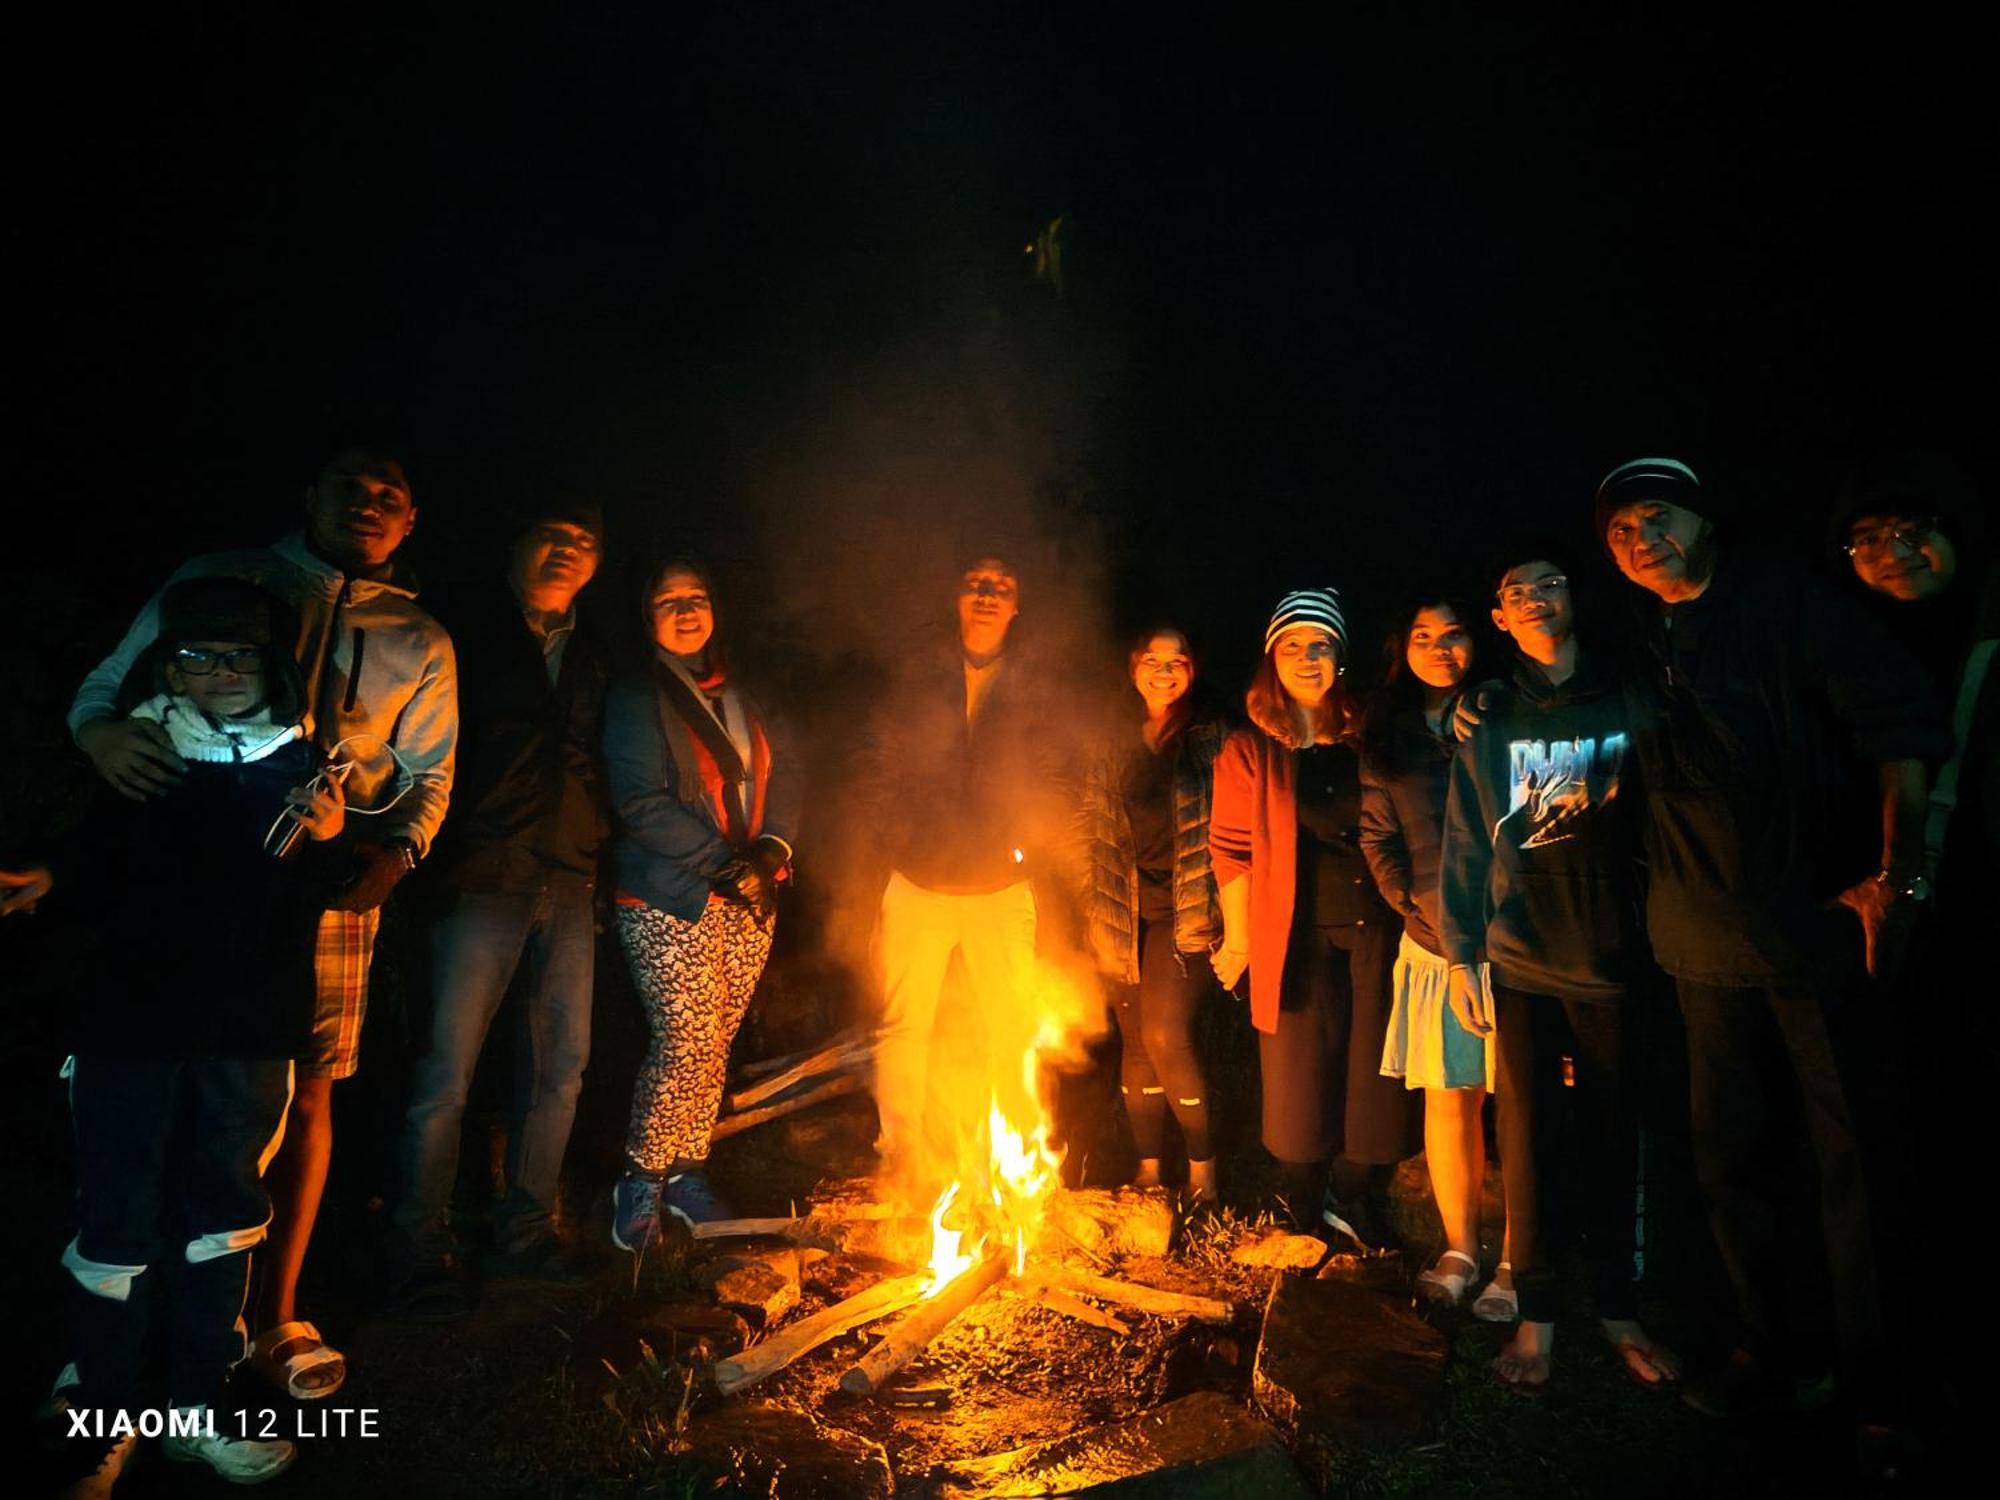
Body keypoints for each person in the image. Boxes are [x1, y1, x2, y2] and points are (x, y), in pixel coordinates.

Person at [67, 444, 457, 1401]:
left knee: (303, 1091)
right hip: (188, 866)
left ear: (410, 522)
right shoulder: (216, 579)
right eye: (351, 486)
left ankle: (266, 1318)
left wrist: (398, 855)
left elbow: (429, 771)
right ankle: (125, 1334)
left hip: (328, 871)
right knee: (167, 1098)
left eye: (391, 497)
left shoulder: (420, 634)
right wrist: (100, 735)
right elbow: (103, 688)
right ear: (309, 494)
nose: (370, 505)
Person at [1593, 455, 1948, 1427]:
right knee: (1730, 1161)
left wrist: (1897, 872)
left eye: (1655, 516)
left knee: (1854, 1170)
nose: (1638, 540)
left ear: (1703, 521)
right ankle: (1776, 1349)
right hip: (1697, 945)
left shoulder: (1789, 605)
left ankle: (1882, 1388)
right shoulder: (1633, 636)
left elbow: (1896, 731)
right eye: (1619, 531)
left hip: (1812, 932)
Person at [52, 579, 346, 1492]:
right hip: (128, 1031)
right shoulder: (131, 755)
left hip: (250, 1038)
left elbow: (294, 910)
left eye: (239, 655)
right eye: (195, 654)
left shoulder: (305, 774)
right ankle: (102, 1407)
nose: (217, 671)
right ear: (162, 663)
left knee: (225, 1221)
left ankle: (194, 1402)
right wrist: (44, 878)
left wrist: (330, 838)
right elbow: (88, 877)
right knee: (115, 1222)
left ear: (275, 669)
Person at [1438, 543, 1679, 1394]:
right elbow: (1466, 838)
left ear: (1575, 599)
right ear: (1498, 618)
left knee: (1617, 1138)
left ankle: (1617, 1304)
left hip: (1616, 957)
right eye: (1515, 591)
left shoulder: (1629, 694)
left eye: (1551, 584)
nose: (1535, 598)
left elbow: (1666, 817)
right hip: (1522, 962)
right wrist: (1463, 952)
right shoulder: (1490, 711)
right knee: (1530, 1141)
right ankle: (1538, 1315)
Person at [388, 500, 610, 1313]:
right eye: (553, 534)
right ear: (518, 542)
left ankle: (524, 1234)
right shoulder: (460, 626)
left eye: (584, 544)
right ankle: (416, 1252)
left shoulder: (592, 650)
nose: (568, 551)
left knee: (561, 1068)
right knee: (446, 1075)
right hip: (480, 874)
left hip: (569, 876)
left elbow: (591, 760)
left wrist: (593, 852)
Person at [1209, 588, 1416, 1246]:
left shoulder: (1369, 733)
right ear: (1273, 658)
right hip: (1292, 932)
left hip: (1376, 924)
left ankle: (1354, 1196)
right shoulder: (1251, 747)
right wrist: (1237, 939)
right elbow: (1231, 848)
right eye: (1293, 645)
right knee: (1301, 1068)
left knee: (1374, 1068)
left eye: (1321, 644)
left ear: (1340, 658)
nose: (1308, 656)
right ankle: (1303, 1197)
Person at [603, 558, 798, 1245]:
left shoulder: (743, 694)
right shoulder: (636, 695)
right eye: (669, 601)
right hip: (669, 894)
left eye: (698, 597)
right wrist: (725, 863)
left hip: (749, 899)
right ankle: (639, 1183)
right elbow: (638, 800)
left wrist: (772, 849)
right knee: (684, 1041)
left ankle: (687, 1174)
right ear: (647, 615)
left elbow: (788, 775)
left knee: (714, 1044)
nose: (686, 610)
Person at [858, 555, 1067, 1186]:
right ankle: (902, 1155)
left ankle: (1020, 1162)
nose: (987, 594)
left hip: (1002, 887)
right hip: (918, 878)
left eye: (1002, 587)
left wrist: (1024, 846)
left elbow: (1055, 772)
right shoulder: (920, 673)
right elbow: (878, 760)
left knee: (1012, 1027)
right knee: (903, 1027)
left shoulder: (1031, 682)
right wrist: (896, 840)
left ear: (1016, 605)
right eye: (977, 583)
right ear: (957, 594)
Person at [1358, 594, 1512, 1315]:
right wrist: (1414, 908)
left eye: (1454, 634)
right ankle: (1460, 1246)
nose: (1440, 647)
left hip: (1515, 941)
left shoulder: (1506, 709)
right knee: (1451, 1098)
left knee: (1519, 1102)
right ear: (1402, 647)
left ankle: (1518, 1258)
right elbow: (1377, 835)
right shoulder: (1386, 732)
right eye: (1423, 635)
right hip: (1430, 944)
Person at [1075, 627, 1225, 1204]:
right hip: (1121, 908)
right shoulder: (1109, 740)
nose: (1164, 671)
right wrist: (1089, 901)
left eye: (1177, 661)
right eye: (1152, 661)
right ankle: (1147, 1168)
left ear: (1193, 669)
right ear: (1133, 669)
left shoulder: (1213, 737)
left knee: (1165, 1033)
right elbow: (1084, 824)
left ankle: (1204, 1169)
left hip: (1186, 910)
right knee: (1135, 1041)